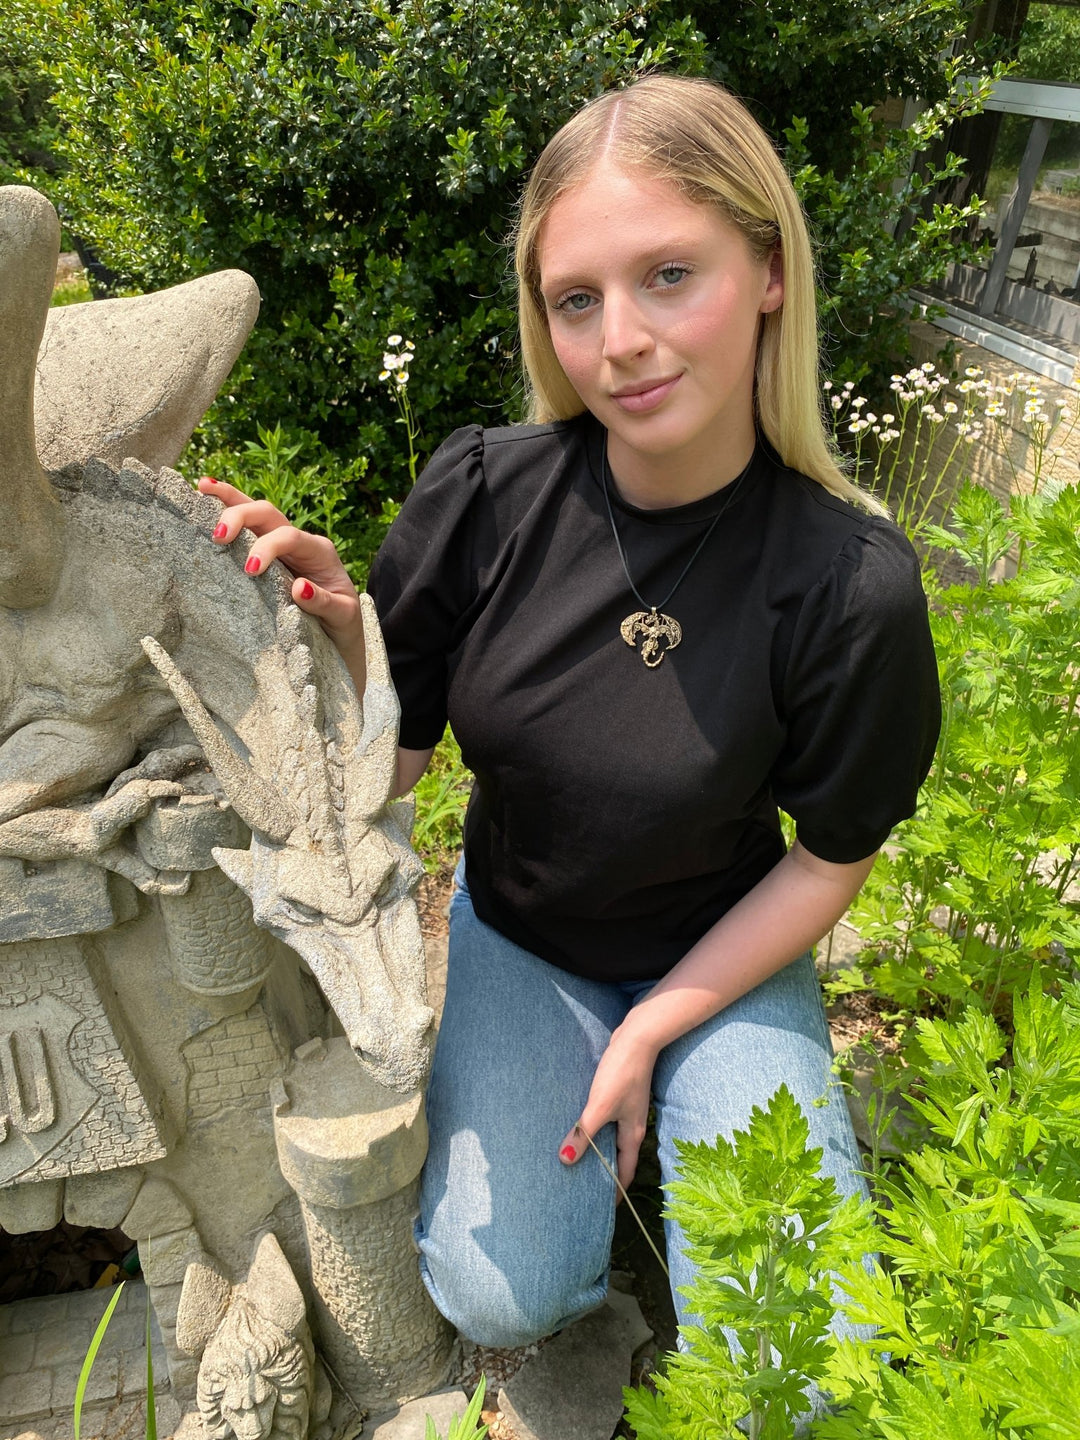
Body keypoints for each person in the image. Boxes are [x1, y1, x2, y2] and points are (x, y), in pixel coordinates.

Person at [202, 72, 939, 1385]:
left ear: (768, 271)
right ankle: (615, 1161)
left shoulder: (847, 583)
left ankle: (671, 1110)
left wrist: (658, 1026)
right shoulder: (486, 496)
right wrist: (334, 644)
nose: (623, 342)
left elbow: (831, 858)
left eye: (669, 276)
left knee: (805, 1359)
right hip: (524, 936)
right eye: (577, 300)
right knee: (501, 1296)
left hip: (721, 951)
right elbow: (397, 758)